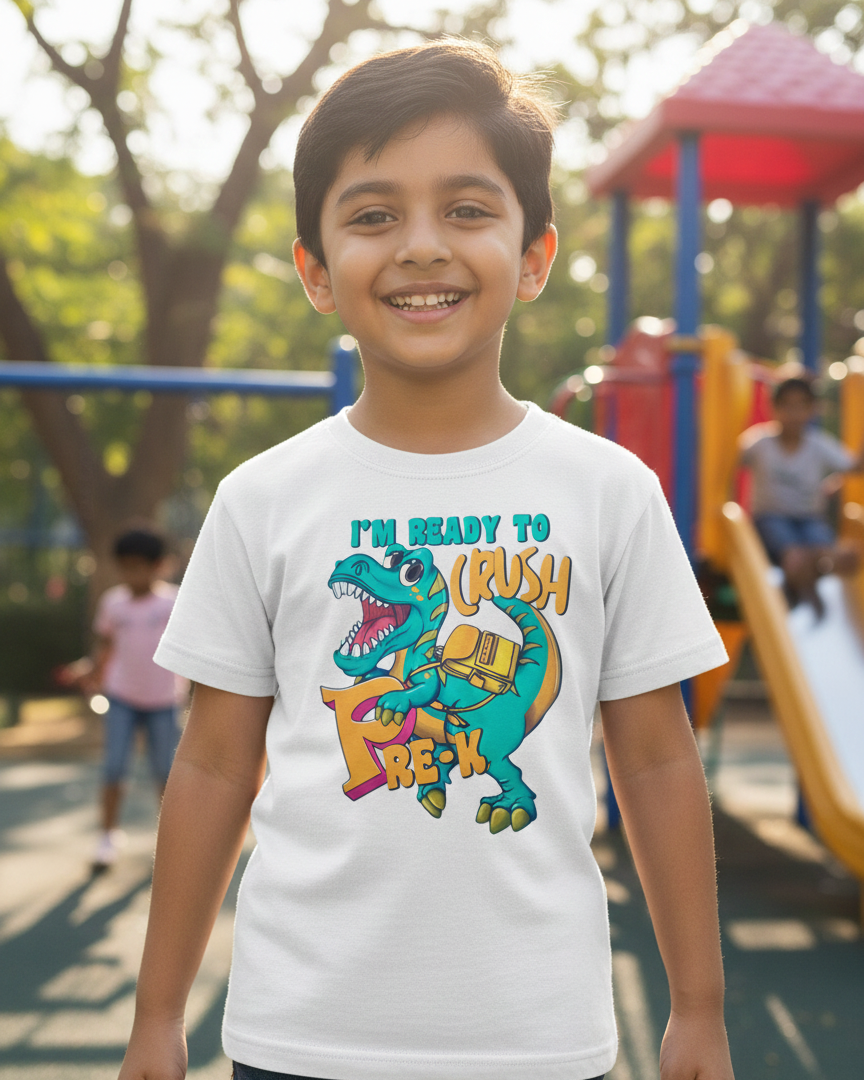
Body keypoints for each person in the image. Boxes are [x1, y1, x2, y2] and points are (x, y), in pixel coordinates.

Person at [120, 41, 734, 1080]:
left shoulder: (610, 490)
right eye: (371, 216)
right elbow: (217, 762)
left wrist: (701, 1009)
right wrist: (155, 1016)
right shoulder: (263, 499)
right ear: (315, 271)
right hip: (298, 1030)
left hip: (537, 1036)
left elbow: (660, 757)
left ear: (534, 255)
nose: (418, 247)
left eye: (465, 209)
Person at [63, 527, 182, 870]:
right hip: (121, 700)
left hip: (163, 702)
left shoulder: (174, 602)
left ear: (158, 565)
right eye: (124, 566)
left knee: (166, 773)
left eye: (138, 566)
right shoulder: (113, 603)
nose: (130, 574)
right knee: (114, 768)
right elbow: (105, 647)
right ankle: (106, 839)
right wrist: (90, 673)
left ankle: (171, 845)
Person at [739, 376, 864, 610]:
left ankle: (807, 579)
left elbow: (855, 467)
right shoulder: (759, 443)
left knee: (838, 554)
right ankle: (810, 599)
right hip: (770, 518)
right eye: (787, 406)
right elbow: (726, 460)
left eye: (801, 407)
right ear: (773, 408)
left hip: (809, 519)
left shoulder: (818, 444)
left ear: (812, 410)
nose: (794, 414)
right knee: (795, 556)